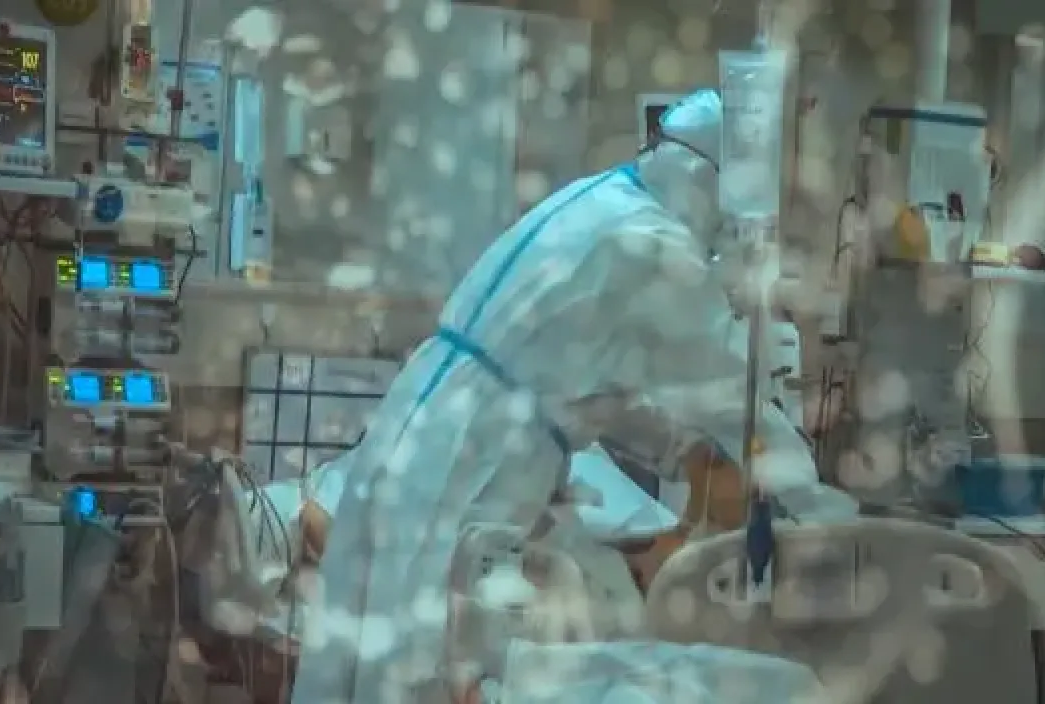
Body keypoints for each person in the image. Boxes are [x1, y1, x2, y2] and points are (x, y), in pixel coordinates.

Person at [289, 89, 819, 704]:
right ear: (709, 182)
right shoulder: (654, 245)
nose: (725, 235)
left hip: (420, 429)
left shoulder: (598, 202)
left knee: (367, 648)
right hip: (474, 457)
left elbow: (588, 379)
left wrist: (682, 450)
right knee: (424, 660)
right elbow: (732, 394)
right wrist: (818, 506)